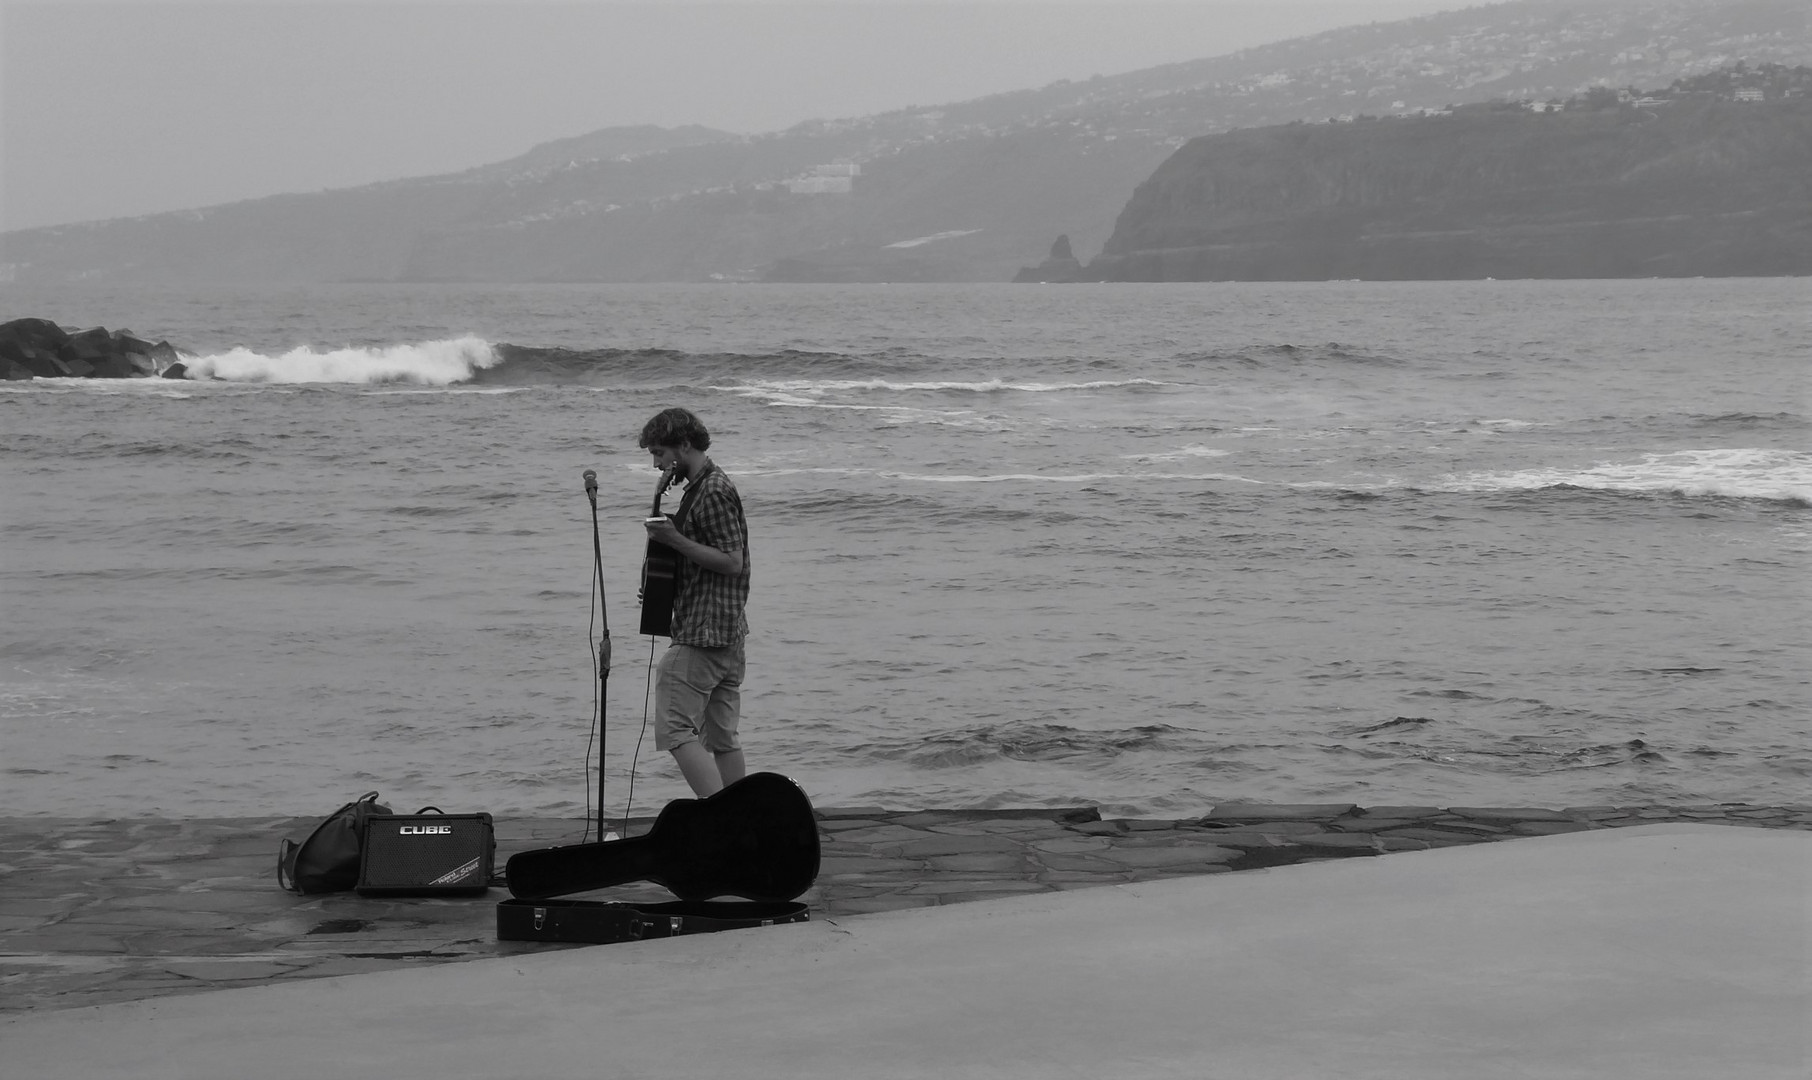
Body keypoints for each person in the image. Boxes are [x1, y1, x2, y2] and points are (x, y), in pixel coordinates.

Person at [638, 408, 751, 797]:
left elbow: (732, 562)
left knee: (673, 730)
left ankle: (719, 821)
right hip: (726, 631)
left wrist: (675, 541)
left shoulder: (713, 491)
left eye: (659, 453)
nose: (656, 464)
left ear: (684, 446)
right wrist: (662, 583)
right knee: (721, 736)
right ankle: (744, 823)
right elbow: (702, 556)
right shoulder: (700, 489)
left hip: (703, 631)